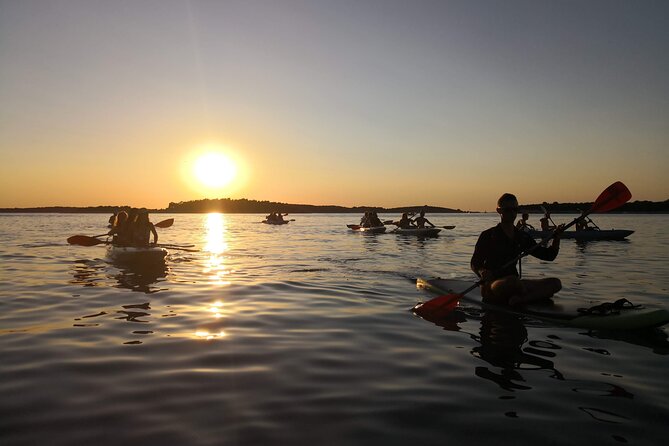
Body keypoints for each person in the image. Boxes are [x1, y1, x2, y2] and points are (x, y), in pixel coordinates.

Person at [471, 193, 562, 306]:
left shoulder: (522, 237)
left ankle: (522, 299)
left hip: (516, 283)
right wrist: (481, 271)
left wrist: (556, 239)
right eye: (508, 210)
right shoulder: (488, 235)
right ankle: (528, 295)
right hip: (493, 284)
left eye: (515, 209)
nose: (512, 213)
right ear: (499, 211)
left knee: (556, 283)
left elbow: (548, 256)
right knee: (512, 282)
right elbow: (475, 263)